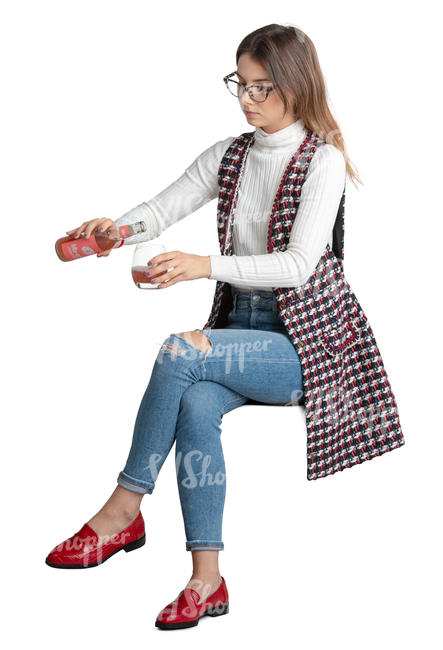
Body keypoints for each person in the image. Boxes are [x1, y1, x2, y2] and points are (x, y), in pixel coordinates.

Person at [45, 23, 360, 629]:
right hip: (235, 335)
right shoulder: (231, 155)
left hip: (303, 346)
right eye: (240, 85)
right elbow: (164, 207)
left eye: (262, 88)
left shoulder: (322, 162)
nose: (247, 99)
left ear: (296, 88)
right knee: (192, 404)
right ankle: (206, 580)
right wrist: (117, 230)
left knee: (177, 350)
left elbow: (297, 268)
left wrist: (200, 266)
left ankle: (123, 509)